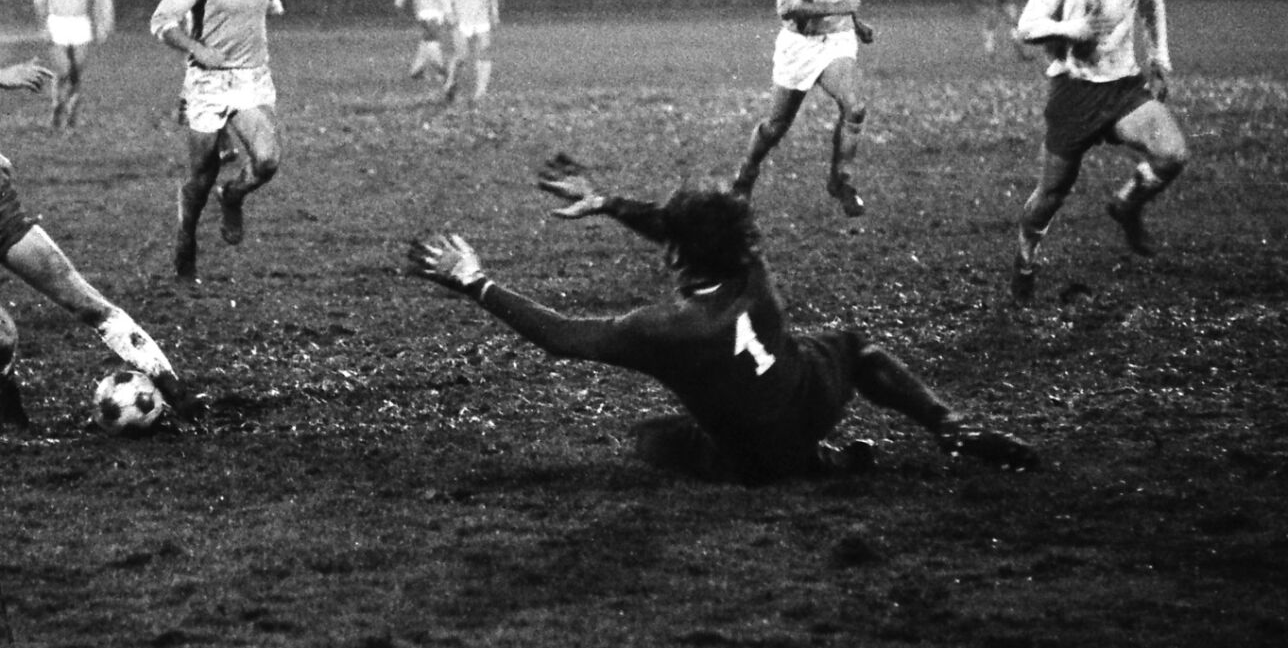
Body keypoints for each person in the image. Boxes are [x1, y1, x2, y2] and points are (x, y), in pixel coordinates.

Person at [407, 155, 1038, 484]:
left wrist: (475, 280)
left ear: (678, 253)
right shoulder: (752, 269)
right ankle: (948, 426)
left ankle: (825, 466)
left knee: (652, 440)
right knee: (852, 346)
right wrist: (607, 203)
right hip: (812, 400)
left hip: (758, 463)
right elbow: (681, 227)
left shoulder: (667, 330)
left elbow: (562, 337)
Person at [0, 0, 193, 428]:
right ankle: (5, 394)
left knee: (86, 301)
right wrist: (2, 77)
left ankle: (176, 389)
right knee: (1, 338)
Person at [1010, 0, 1186, 304]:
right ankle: (1025, 257)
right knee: (1051, 194)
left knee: (1173, 154)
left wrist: (1160, 60)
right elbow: (1027, 26)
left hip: (1123, 90)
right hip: (1074, 93)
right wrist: (1070, 30)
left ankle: (1126, 205)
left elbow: (1153, 6)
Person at [150, 0, 285, 280]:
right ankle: (186, 237)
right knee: (202, 175)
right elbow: (161, 23)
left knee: (268, 161)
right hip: (208, 84)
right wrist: (197, 49)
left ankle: (233, 196)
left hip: (251, 80)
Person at [732, 0, 875, 215]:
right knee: (775, 126)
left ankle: (841, 180)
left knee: (855, 108)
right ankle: (745, 176)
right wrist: (839, 7)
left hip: (838, 41)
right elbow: (787, 7)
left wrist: (858, 21)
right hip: (800, 46)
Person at [32, 0, 99, 128]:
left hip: (80, 23)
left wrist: (98, 23)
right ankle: (57, 105)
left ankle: (72, 110)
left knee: (77, 70)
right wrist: (43, 26)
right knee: (63, 69)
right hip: (57, 22)